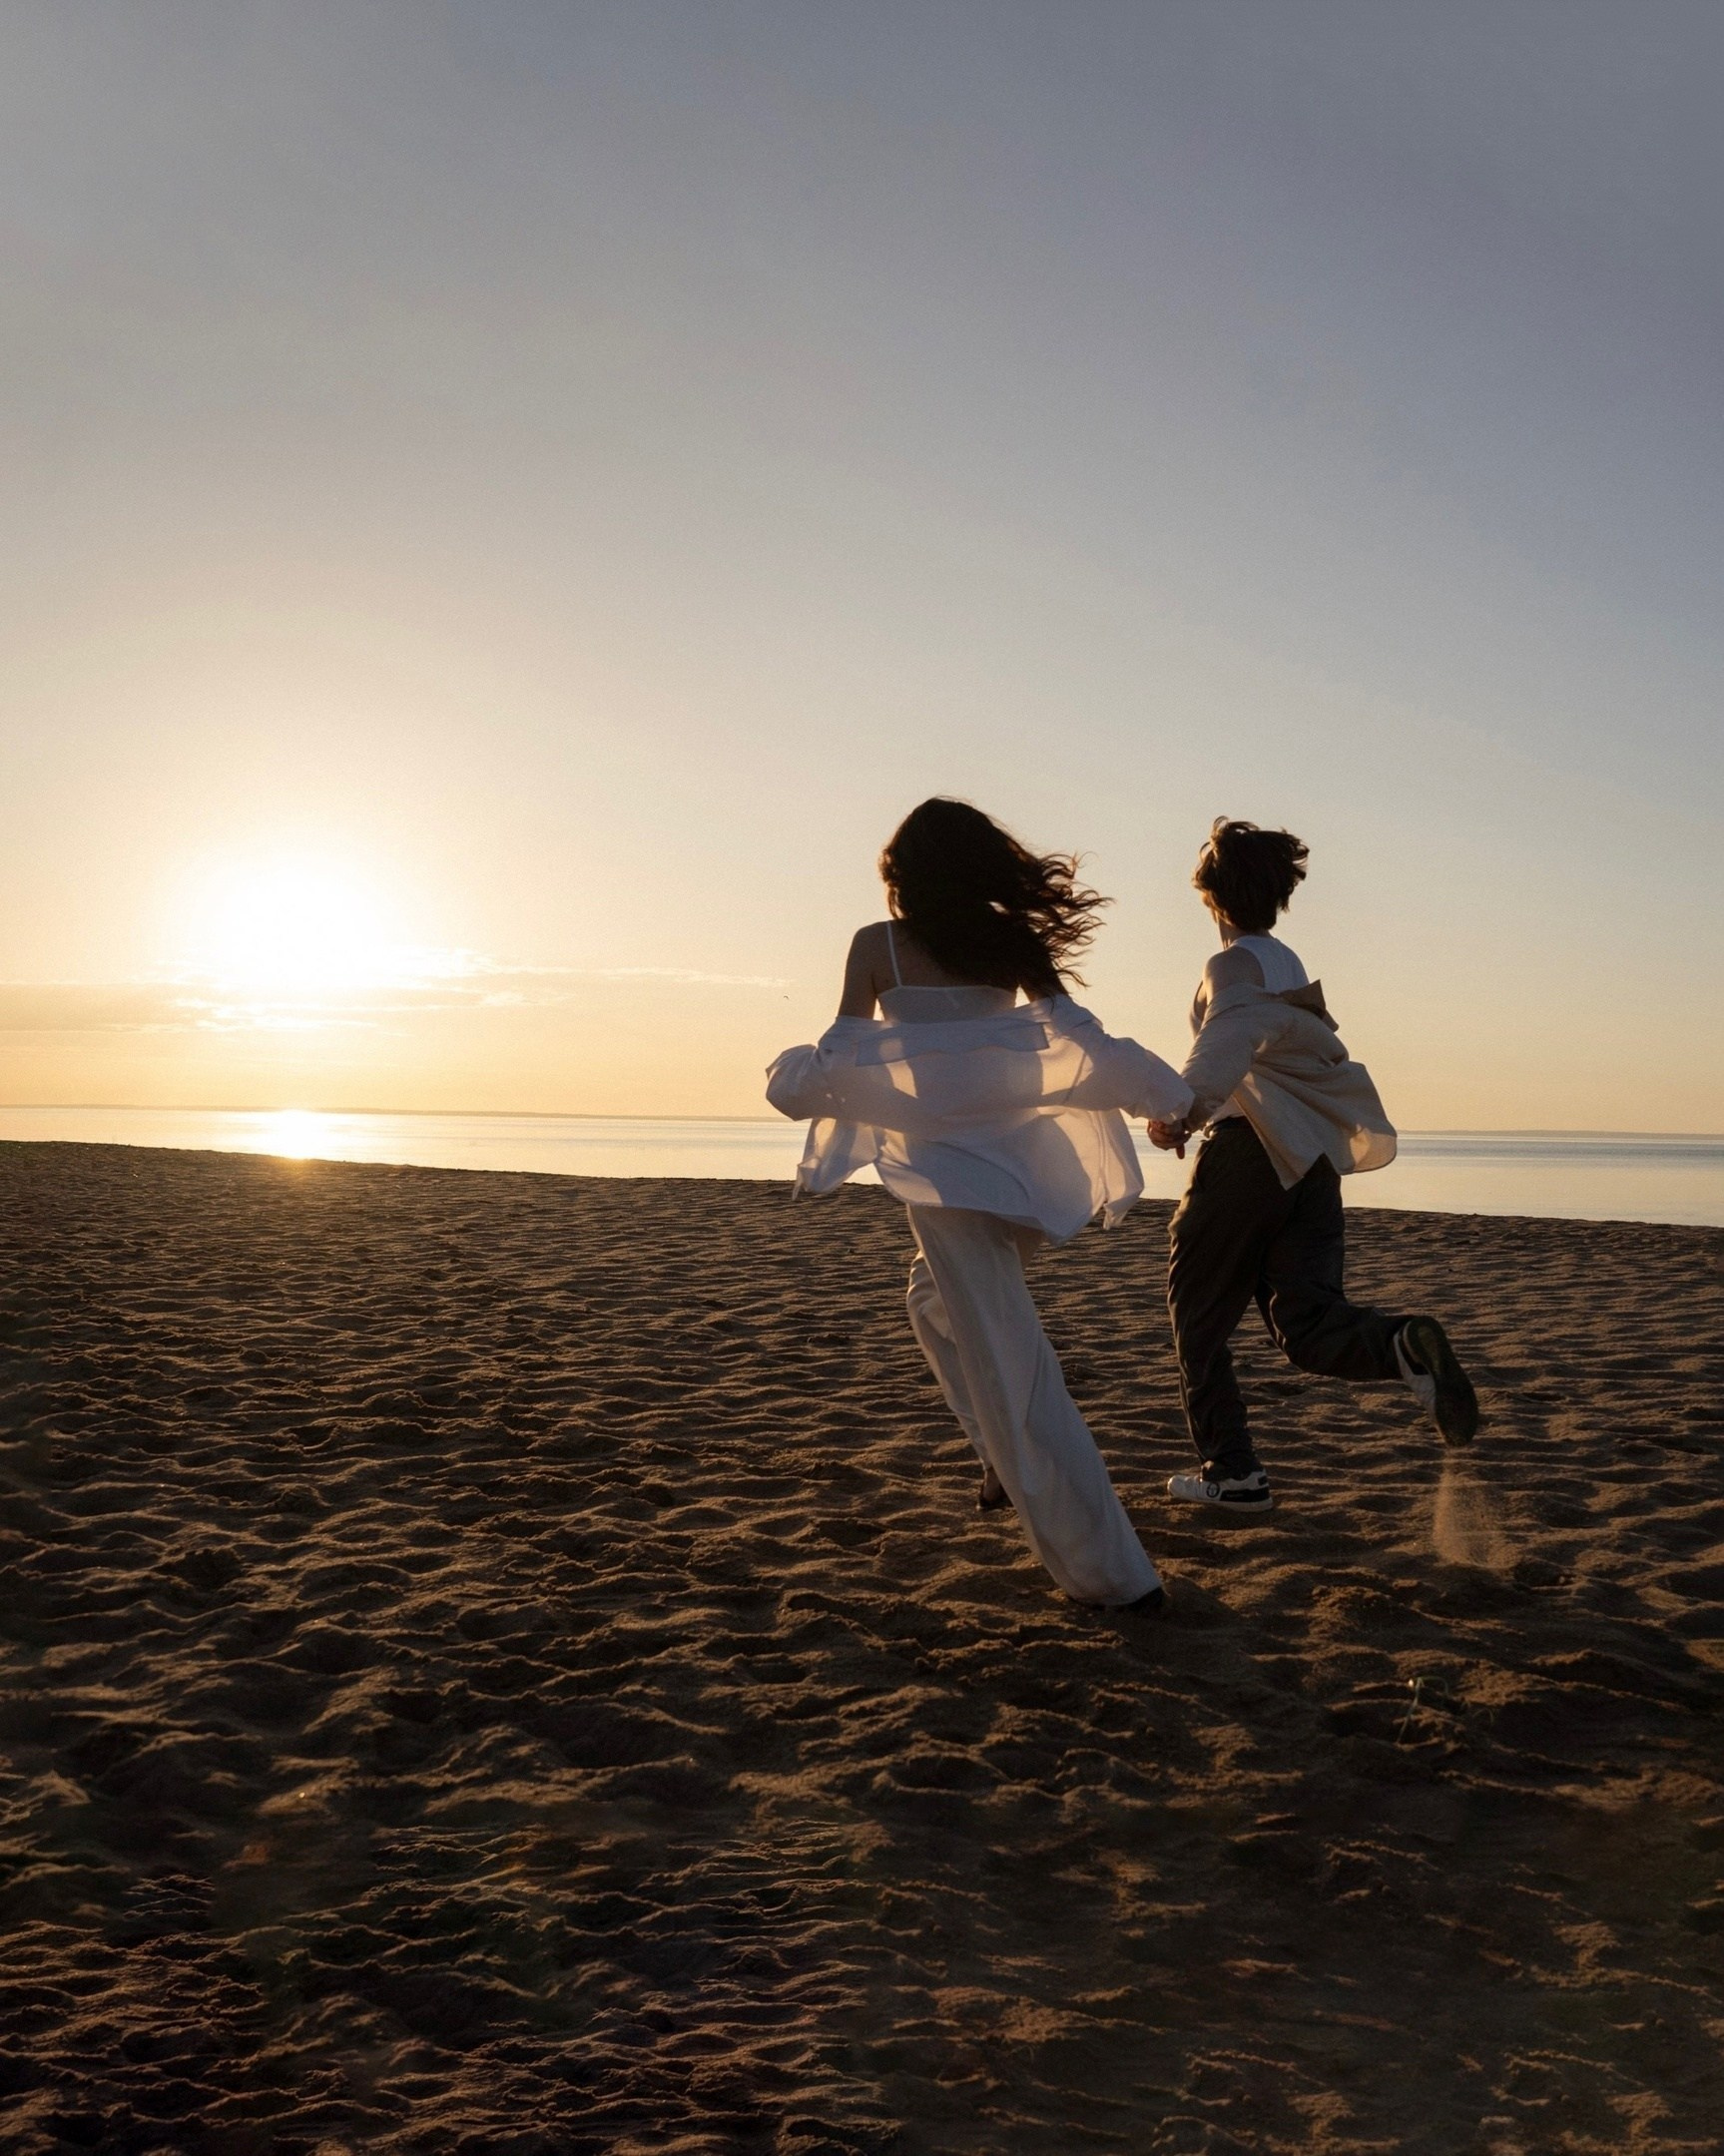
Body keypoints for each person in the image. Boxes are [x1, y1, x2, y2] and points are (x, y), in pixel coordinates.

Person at [767, 797, 1192, 1610]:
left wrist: (789, 1081)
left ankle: (1115, 1578)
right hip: (1027, 1174)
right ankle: (995, 1456)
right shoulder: (1007, 940)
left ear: (905, 873)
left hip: (947, 1180)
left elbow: (842, 1055)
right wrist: (1160, 1098)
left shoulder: (877, 945)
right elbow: (1085, 1037)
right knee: (929, 1300)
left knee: (1012, 1365)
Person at [1148, 817, 1478, 1515]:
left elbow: (1229, 1032)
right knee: (1306, 1325)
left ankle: (1232, 1472)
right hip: (1310, 1162)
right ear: (1277, 895)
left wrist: (1182, 1109)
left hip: (1246, 1157)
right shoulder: (1289, 966)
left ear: (1210, 899)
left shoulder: (1230, 966)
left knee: (1197, 1317)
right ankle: (1402, 1347)